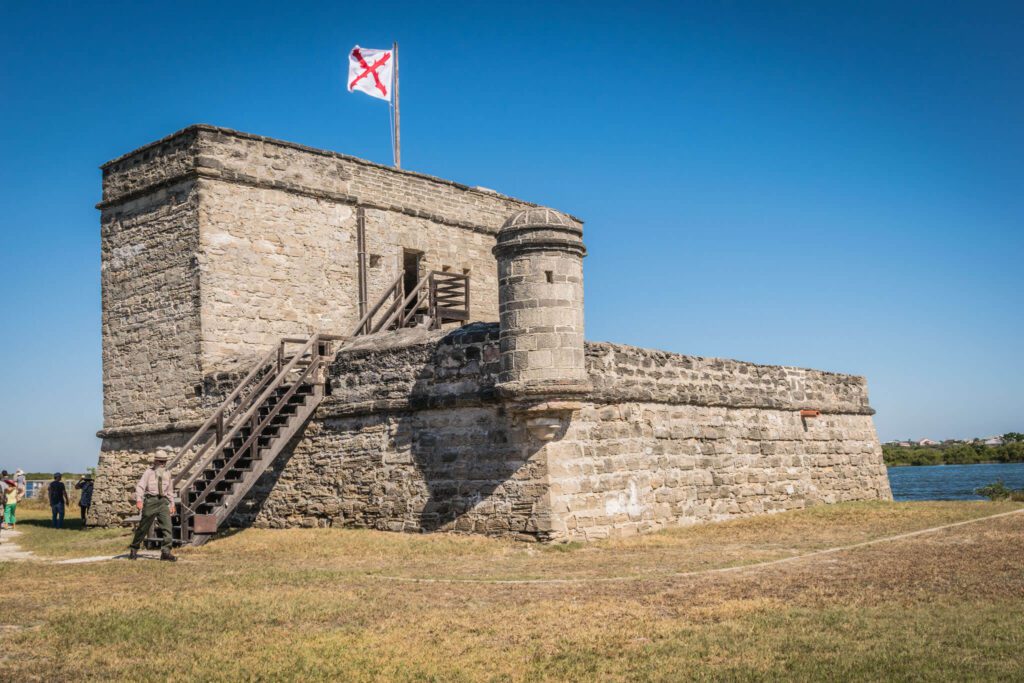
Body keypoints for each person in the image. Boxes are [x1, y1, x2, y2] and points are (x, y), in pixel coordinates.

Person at [128, 451, 177, 562]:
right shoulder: (148, 472)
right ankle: (134, 548)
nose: (162, 464)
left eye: (164, 461)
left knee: (168, 527)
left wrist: (172, 504)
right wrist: (139, 500)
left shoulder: (167, 473)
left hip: (163, 502)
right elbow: (140, 486)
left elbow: (169, 490)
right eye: (160, 461)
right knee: (143, 527)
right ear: (155, 461)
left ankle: (165, 552)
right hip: (151, 501)